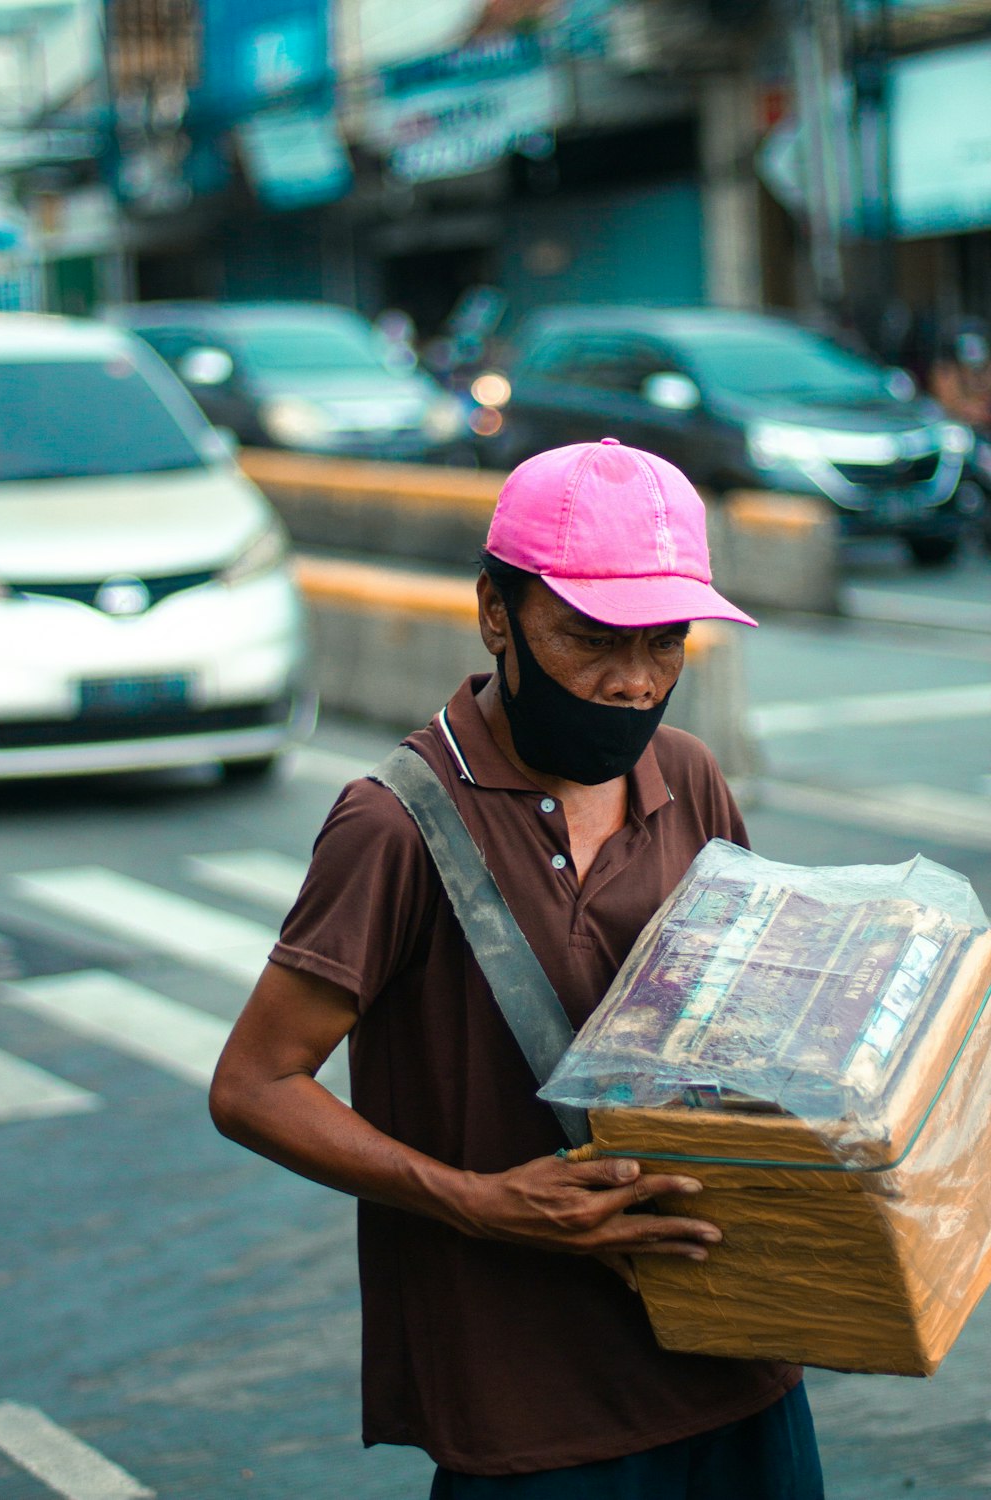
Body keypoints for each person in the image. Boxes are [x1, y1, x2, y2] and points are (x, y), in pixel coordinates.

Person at [209, 437, 825, 1498]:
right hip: (532, 1414)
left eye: (665, 643)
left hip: (736, 1366)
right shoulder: (394, 824)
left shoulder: (687, 775)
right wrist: (473, 1201)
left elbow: (741, 1020)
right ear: (497, 614)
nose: (633, 684)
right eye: (590, 640)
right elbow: (253, 1087)